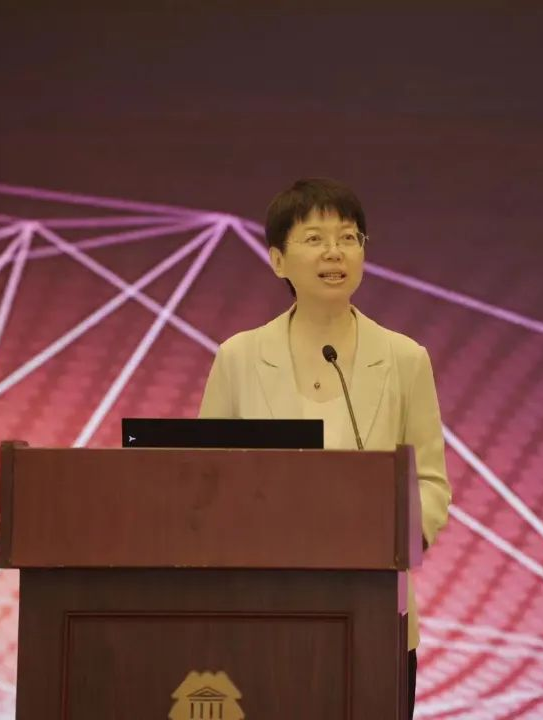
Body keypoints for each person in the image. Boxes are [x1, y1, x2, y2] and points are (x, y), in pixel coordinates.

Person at [198, 177, 451, 717]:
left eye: (349, 237)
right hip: (261, 609)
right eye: (314, 238)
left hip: (375, 609)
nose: (335, 252)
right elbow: (204, 479)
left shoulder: (405, 359)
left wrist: (399, 539)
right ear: (277, 261)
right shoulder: (239, 358)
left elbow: (429, 481)